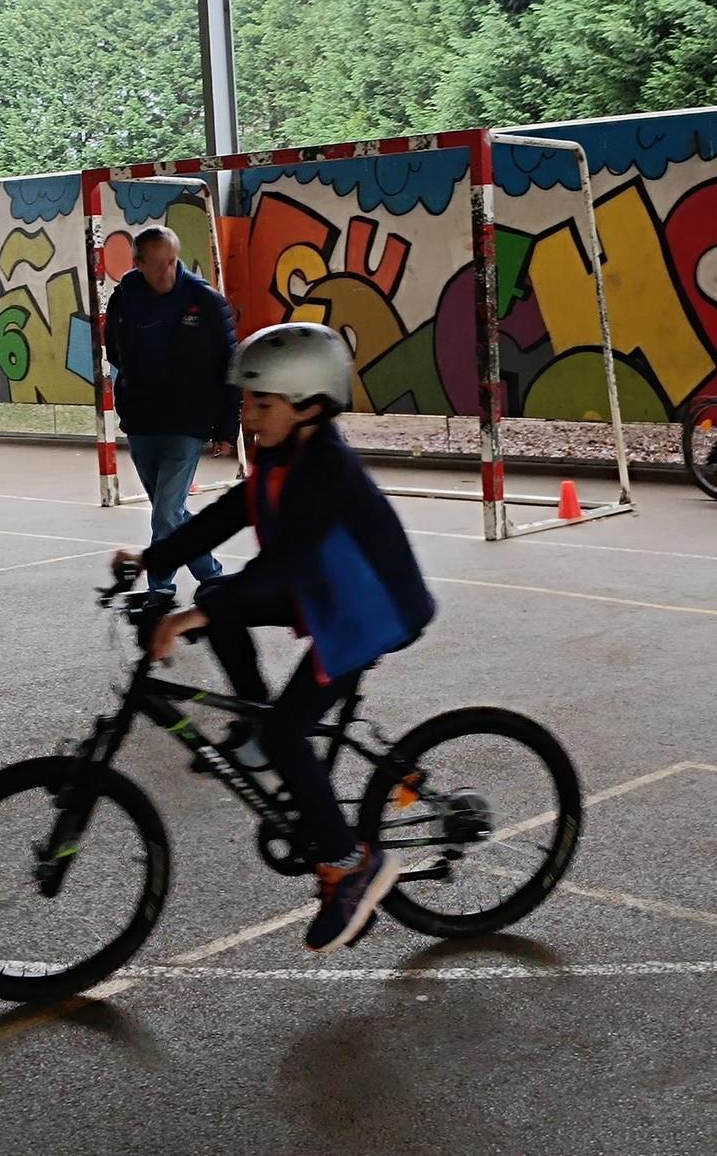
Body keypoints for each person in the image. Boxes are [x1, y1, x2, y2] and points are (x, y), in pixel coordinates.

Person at [113, 322, 435, 954]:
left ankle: (349, 863)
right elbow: (229, 514)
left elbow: (281, 567)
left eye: (262, 405)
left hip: (366, 611)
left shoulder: (325, 473)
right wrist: (154, 560)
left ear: (310, 406)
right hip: (326, 589)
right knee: (216, 600)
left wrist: (186, 620)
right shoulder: (280, 454)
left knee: (290, 727)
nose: (248, 415)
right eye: (246, 403)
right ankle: (260, 730)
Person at [104, 225, 240, 596]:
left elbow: (232, 366)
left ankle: (159, 588)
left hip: (189, 422)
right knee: (172, 512)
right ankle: (211, 575)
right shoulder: (123, 299)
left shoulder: (205, 301)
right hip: (142, 420)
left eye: (172, 262)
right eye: (158, 264)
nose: (166, 271)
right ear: (137, 263)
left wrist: (227, 429)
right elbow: (114, 351)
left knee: (166, 511)